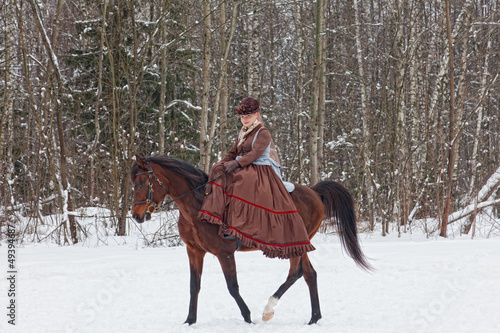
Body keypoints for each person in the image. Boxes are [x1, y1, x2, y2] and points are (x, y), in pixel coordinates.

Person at [197, 97, 315, 259]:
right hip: (245, 164)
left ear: (257, 115)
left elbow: (254, 154)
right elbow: (233, 152)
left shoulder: (262, 132)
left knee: (240, 182)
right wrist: (221, 163)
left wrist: (236, 165)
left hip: (260, 168)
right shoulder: (243, 132)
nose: (245, 120)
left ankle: (238, 228)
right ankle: (216, 217)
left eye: (248, 116)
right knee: (218, 172)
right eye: (242, 117)